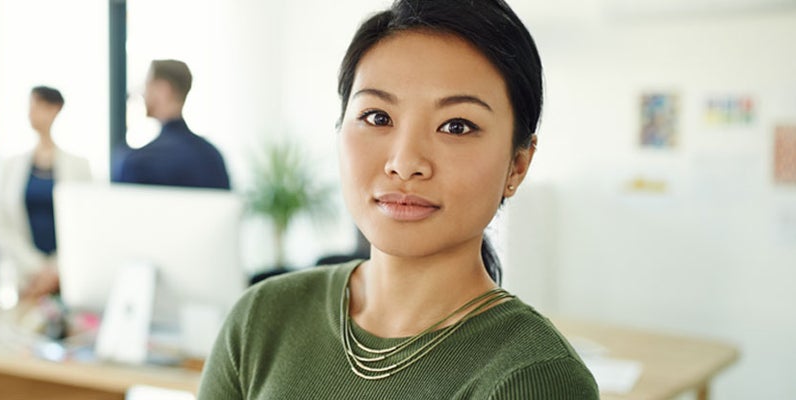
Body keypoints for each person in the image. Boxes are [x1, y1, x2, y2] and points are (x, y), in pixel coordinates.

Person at [198, 0, 599, 398]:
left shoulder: (534, 378)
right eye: (378, 117)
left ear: (517, 165)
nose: (405, 163)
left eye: (456, 126)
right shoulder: (263, 318)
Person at [0, 86, 91, 300]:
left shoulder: (79, 166)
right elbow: (2, 225)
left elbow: (85, 225)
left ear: (55, 109)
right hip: (25, 279)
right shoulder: (10, 166)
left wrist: (54, 271)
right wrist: (36, 269)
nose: (31, 113)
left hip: (64, 276)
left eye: (37, 106)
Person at [116, 59, 230, 190]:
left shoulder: (140, 161)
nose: (142, 94)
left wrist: (130, 118)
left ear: (162, 90)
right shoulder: (212, 156)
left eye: (147, 86)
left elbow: (121, 190)